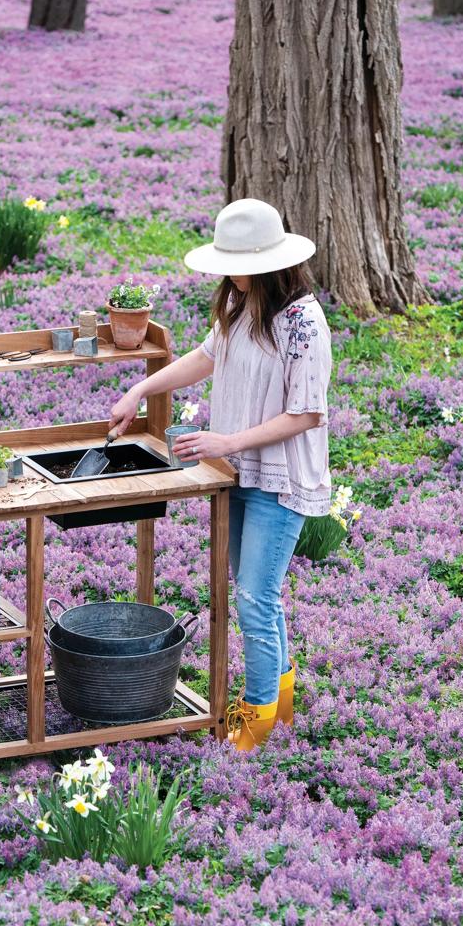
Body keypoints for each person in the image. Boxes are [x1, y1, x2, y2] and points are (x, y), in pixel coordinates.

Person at [109, 199, 332, 753]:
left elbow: (306, 414)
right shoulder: (237, 302)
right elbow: (208, 357)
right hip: (237, 472)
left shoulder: (304, 322)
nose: (228, 273)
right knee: (259, 594)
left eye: (237, 262)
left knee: (255, 597)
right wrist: (142, 388)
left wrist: (227, 440)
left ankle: (254, 720)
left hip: (278, 478)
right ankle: (280, 706)